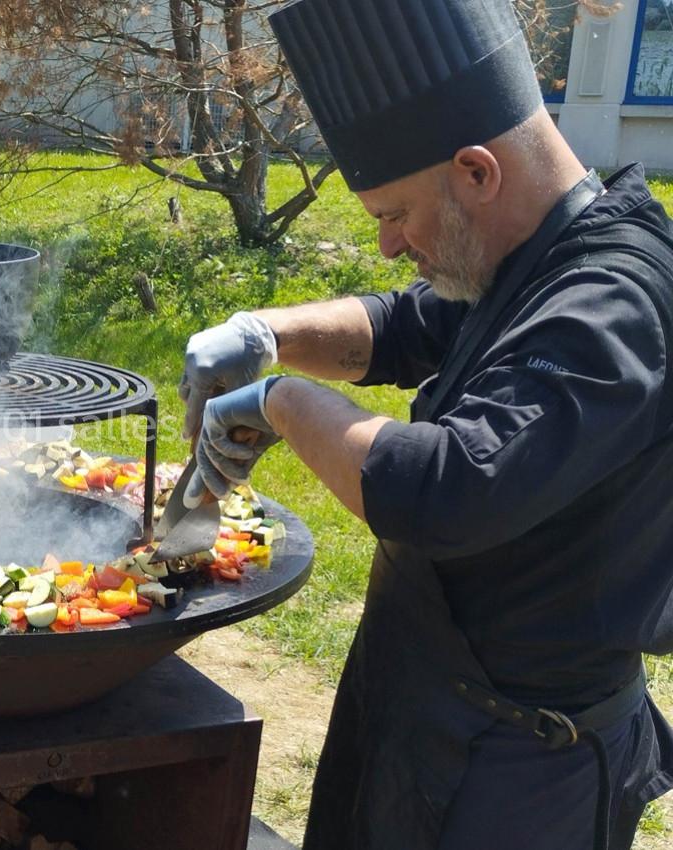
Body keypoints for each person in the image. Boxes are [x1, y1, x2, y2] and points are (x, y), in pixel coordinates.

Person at [178, 0, 673, 848]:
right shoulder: (525, 254)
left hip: (521, 766)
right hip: (423, 705)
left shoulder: (612, 303)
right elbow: (406, 324)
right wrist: (266, 332)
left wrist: (282, 402)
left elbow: (447, 489)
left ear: (477, 172)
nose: (387, 246)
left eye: (393, 215)